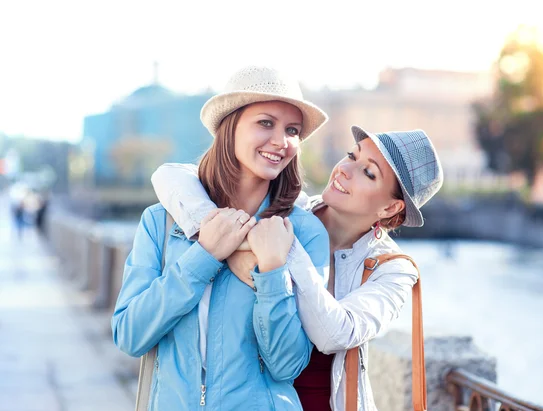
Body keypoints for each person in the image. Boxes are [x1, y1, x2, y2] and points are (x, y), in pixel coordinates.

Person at [151, 125, 444, 410]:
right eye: (352, 156)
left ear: (391, 208)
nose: (345, 169)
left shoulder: (393, 270)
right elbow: (169, 175)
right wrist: (217, 231)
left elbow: (334, 334)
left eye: (368, 173)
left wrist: (285, 250)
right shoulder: (290, 208)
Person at [111, 65, 330, 410]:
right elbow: (130, 334)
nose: (281, 141)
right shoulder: (161, 222)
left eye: (292, 130)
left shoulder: (302, 232)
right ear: (230, 126)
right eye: (265, 123)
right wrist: (205, 255)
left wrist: (272, 271)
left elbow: (287, 364)